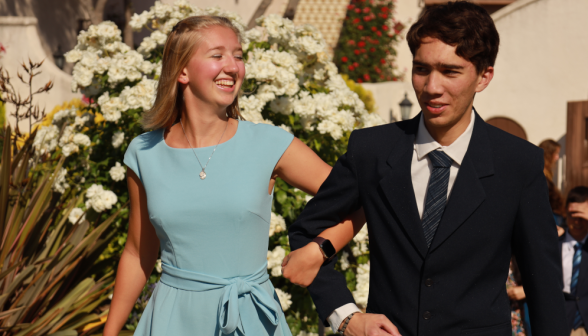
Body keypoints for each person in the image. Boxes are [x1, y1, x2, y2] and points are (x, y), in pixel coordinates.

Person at [282, 2, 567, 335]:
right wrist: (346, 317)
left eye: (450, 71)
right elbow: (306, 231)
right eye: (422, 69)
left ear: (484, 76)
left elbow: (544, 287)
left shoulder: (518, 163)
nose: (431, 87)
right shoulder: (372, 150)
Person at [102, 16, 364, 336]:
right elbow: (137, 251)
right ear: (181, 70)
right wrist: (110, 332)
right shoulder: (143, 153)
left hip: (250, 320)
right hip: (171, 321)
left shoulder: (270, 144)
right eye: (217, 55)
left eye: (238, 56)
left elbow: (361, 198)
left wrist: (319, 249)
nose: (233, 66)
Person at [561, 186, 588, 336]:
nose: (577, 221)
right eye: (572, 215)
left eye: (582, 216)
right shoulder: (555, 244)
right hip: (561, 323)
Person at [539, 139, 566, 228]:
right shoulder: (539, 172)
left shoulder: (547, 173)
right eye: (556, 154)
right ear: (548, 154)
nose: (557, 157)